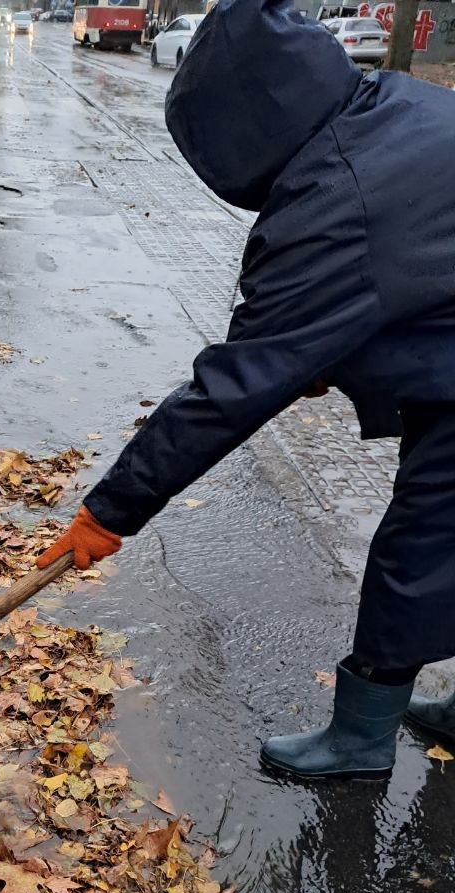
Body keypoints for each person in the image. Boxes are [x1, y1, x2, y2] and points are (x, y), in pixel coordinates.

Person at [39, 0, 455, 781]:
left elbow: (233, 387)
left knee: (425, 540)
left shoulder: (337, 201)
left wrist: (112, 508)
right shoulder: (395, 108)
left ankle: (361, 741)